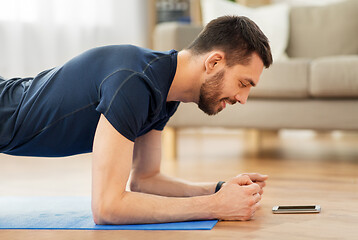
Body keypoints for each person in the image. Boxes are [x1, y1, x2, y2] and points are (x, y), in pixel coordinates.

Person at [0, 16, 272, 224]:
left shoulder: (166, 90)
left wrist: (218, 190)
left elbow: (146, 179)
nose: (243, 98)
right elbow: (107, 207)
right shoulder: (136, 83)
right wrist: (215, 206)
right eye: (243, 83)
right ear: (213, 62)